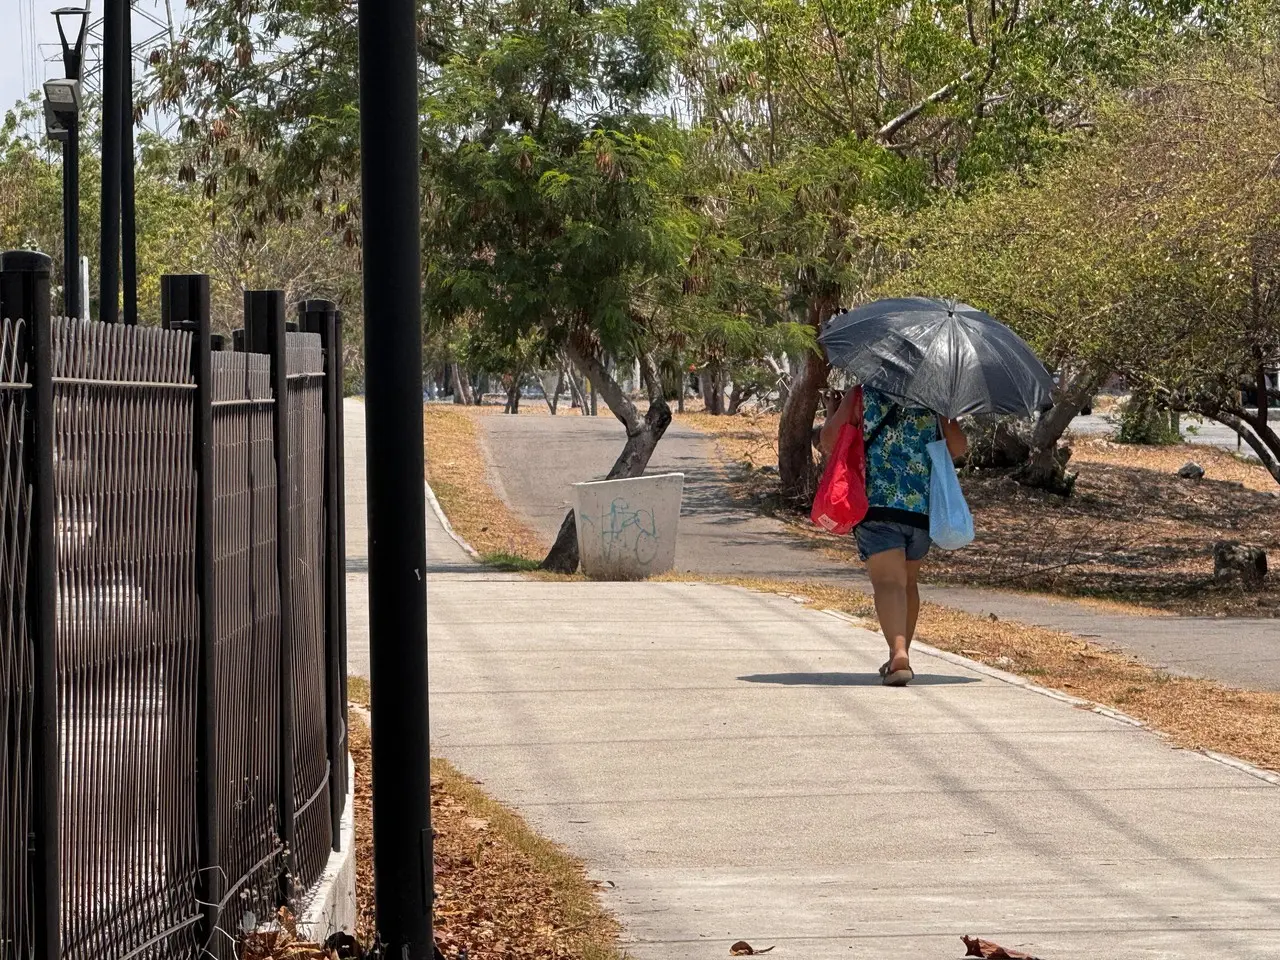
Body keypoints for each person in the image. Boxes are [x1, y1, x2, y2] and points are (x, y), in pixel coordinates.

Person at [819, 386, 967, 687]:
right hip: (921, 512)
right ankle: (897, 655)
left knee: (888, 583)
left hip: (876, 507)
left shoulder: (861, 394)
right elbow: (958, 448)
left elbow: (828, 442)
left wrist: (832, 410)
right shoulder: (934, 395)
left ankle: (899, 653)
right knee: (908, 583)